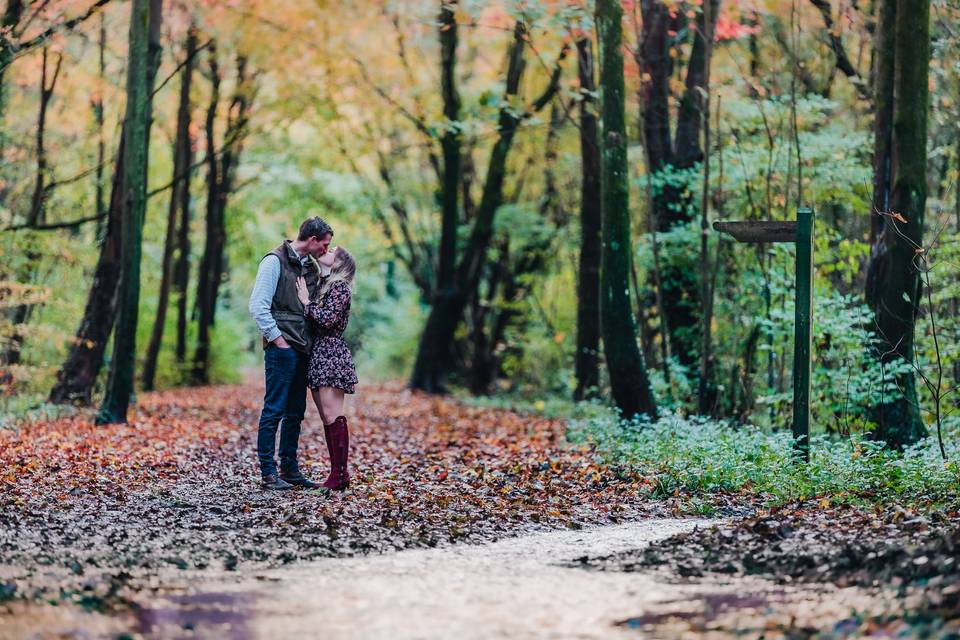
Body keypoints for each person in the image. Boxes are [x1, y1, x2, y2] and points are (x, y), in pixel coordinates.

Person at [249, 216, 333, 490]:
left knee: (296, 412)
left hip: (303, 349)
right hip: (282, 349)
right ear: (311, 240)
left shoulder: (311, 268)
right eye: (324, 244)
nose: (325, 249)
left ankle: (289, 469)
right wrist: (279, 342)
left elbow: (316, 307)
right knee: (274, 409)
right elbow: (258, 306)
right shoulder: (274, 261)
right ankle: (268, 473)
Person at [295, 246, 358, 491]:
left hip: (331, 353)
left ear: (340, 262)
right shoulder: (326, 284)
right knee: (326, 417)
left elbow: (327, 319)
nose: (327, 250)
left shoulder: (340, 287)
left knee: (332, 415)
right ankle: (338, 473)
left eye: (333, 250)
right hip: (320, 353)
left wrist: (305, 302)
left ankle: (340, 475)